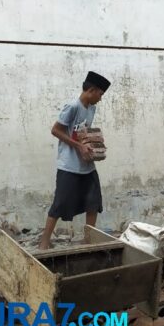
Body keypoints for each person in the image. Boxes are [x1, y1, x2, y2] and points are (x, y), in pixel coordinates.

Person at [39, 71, 111, 250]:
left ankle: (89, 239)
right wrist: (78, 146)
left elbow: (82, 133)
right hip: (69, 165)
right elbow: (56, 130)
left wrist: (94, 144)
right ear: (91, 90)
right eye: (100, 94)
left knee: (93, 201)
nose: (100, 99)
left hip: (86, 164)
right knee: (60, 203)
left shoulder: (91, 108)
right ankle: (44, 241)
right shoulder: (72, 106)